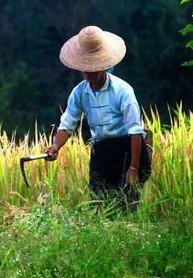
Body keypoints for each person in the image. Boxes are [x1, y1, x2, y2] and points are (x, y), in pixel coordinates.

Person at [45, 26, 151, 211]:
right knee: (98, 205)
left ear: (103, 66)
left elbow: (135, 131)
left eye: (92, 69)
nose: (87, 73)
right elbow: (68, 124)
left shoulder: (123, 91)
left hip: (128, 149)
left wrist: (133, 168)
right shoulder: (79, 93)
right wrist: (55, 147)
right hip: (102, 150)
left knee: (127, 205)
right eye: (84, 69)